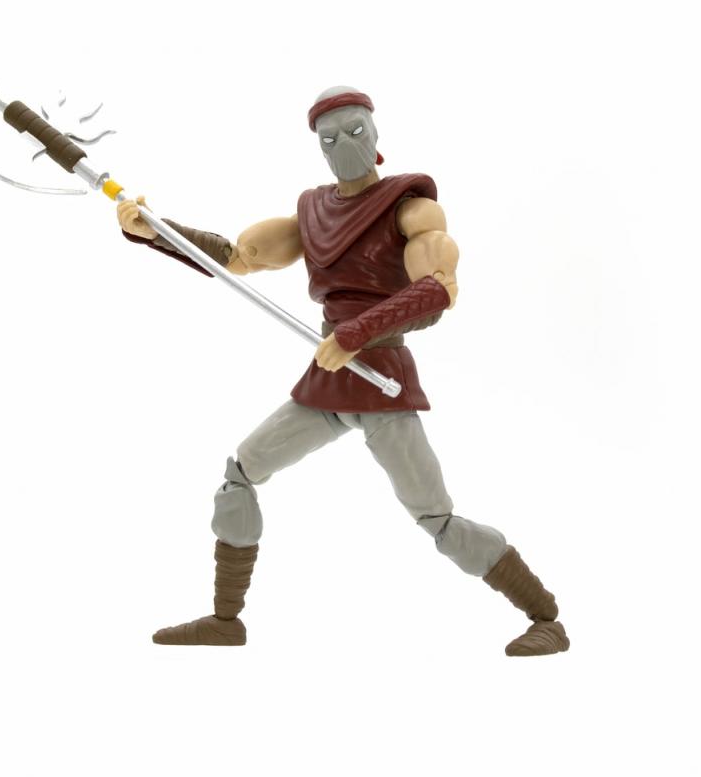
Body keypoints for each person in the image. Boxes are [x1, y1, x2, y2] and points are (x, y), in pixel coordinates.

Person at [117, 86, 570, 656]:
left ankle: (544, 615)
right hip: (329, 383)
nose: (343, 146)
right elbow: (234, 258)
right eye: (329, 139)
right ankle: (225, 619)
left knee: (436, 518)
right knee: (241, 473)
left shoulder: (412, 209)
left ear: (376, 135)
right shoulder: (312, 213)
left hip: (382, 382)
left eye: (355, 131)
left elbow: (439, 291)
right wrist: (156, 231)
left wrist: (357, 334)